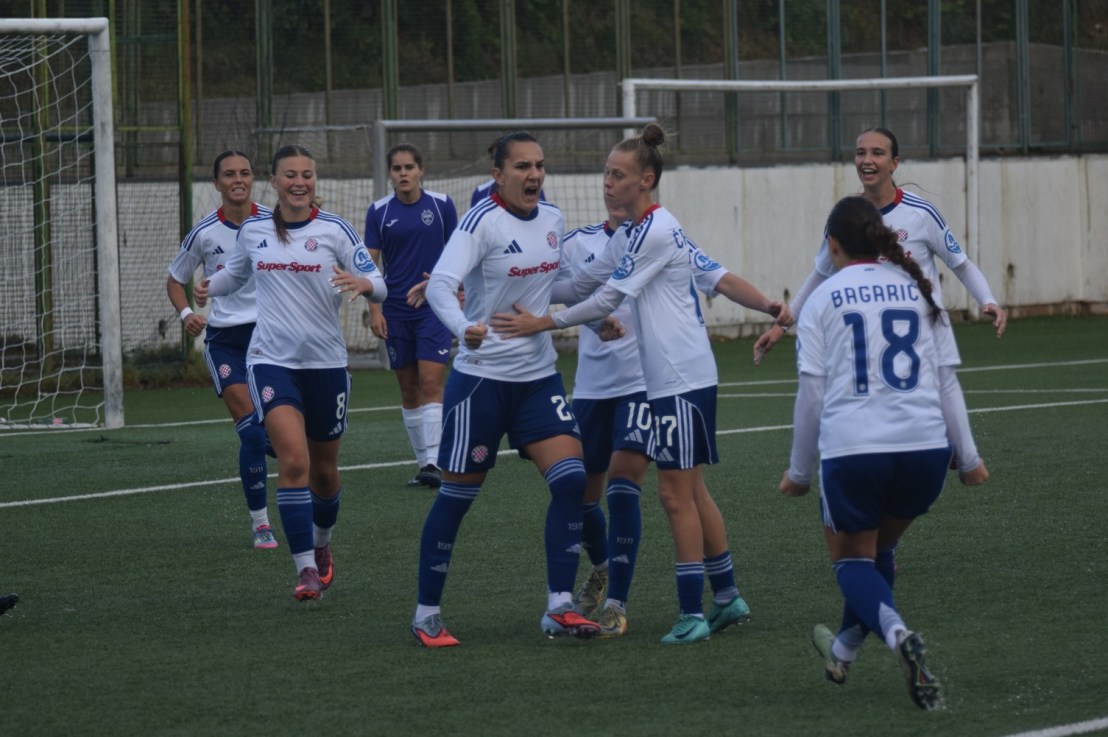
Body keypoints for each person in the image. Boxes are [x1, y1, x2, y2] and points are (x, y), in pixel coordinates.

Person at [491, 123, 792, 644]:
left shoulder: (654, 231)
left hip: (679, 379)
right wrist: (500, 283)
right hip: (676, 379)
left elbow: (607, 300)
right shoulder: (636, 231)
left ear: (646, 180)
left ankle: (690, 614)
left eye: (618, 175)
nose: (607, 183)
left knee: (675, 497)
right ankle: (725, 597)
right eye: (606, 174)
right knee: (693, 492)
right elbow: (582, 282)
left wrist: (544, 322)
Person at [779, 195, 989, 711]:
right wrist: (968, 457)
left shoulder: (824, 299)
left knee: (851, 559)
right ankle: (845, 650)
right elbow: (945, 382)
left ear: (832, 246)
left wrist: (798, 471)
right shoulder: (918, 289)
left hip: (856, 451)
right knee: (879, 552)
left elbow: (812, 395)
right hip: (924, 453)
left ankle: (899, 636)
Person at [408, 131, 599, 647]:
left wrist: (597, 302)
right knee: (455, 499)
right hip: (481, 382)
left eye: (539, 165)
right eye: (521, 166)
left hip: (538, 378)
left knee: (570, 481)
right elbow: (444, 285)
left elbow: (555, 286)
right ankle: (427, 612)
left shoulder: (554, 219)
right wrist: (461, 327)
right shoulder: (479, 223)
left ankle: (558, 606)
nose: (533, 174)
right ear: (498, 174)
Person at [194, 144, 387, 601]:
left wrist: (364, 284)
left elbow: (379, 282)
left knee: (324, 470)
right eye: (290, 175)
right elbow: (235, 275)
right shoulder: (254, 230)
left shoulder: (335, 229)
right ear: (275, 182)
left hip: (326, 365)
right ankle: (304, 569)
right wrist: (208, 286)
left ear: (314, 181)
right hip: (270, 362)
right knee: (294, 461)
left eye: (307, 175)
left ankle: (322, 545)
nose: (299, 182)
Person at [753, 126, 1005, 472]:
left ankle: (953, 450)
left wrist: (987, 299)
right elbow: (820, 273)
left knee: (939, 389)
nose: (866, 160)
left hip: (924, 332)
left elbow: (960, 263)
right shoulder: (846, 217)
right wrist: (781, 326)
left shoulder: (920, 213)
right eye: (860, 153)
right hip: (873, 334)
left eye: (877, 153)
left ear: (895, 163)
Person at [166, 151, 278, 550]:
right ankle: (261, 524)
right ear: (216, 183)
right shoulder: (204, 233)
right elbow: (176, 279)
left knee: (277, 437)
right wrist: (185, 314)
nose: (238, 179)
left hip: (270, 339)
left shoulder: (272, 221)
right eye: (229, 174)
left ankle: (288, 451)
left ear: (253, 179)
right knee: (251, 431)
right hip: (226, 341)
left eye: (245, 173)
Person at [364, 143, 458, 489]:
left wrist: (455, 290)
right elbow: (368, 265)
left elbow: (458, 251)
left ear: (421, 170)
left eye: (409, 167)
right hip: (396, 311)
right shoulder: (378, 211)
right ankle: (424, 465)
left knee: (431, 382)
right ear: (389, 174)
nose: (403, 174)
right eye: (397, 168)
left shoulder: (442, 205)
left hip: (434, 307)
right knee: (408, 388)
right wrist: (374, 309)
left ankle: (436, 461)